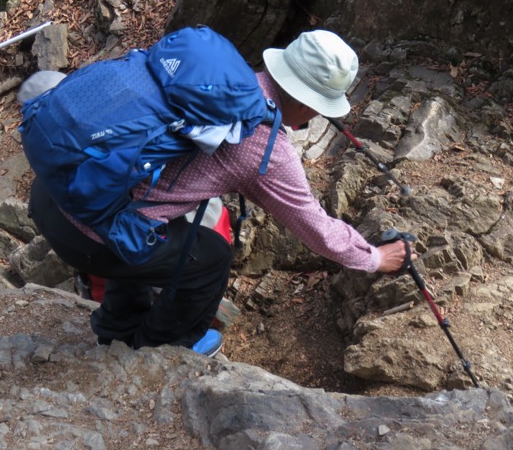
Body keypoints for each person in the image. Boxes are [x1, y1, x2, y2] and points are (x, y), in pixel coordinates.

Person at [27, 29, 412, 356]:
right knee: (208, 256)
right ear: (305, 103)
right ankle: (160, 350)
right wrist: (375, 257)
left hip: (53, 190)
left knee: (150, 223)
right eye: (317, 110)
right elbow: (315, 227)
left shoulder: (215, 81)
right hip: (86, 235)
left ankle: (117, 330)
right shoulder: (266, 152)